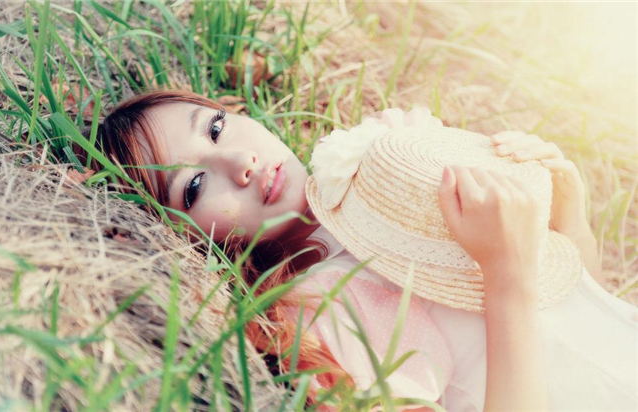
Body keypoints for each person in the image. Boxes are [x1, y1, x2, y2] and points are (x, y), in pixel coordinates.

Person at [75, 89, 638, 411]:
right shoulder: (325, 305)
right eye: (195, 186)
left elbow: (583, 323)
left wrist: (571, 223)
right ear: (183, 238)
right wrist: (506, 278)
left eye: (217, 128)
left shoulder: (390, 178)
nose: (240, 163)